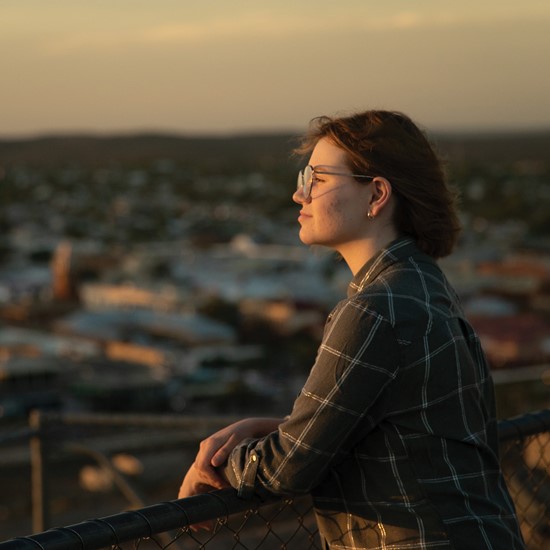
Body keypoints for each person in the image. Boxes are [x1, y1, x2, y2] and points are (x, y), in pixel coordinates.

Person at [178, 110, 525, 549]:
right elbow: (396, 429)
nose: (297, 194)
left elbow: (287, 468)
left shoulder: (375, 309)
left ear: (376, 193)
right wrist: (261, 427)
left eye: (317, 179)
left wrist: (219, 463)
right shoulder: (422, 283)